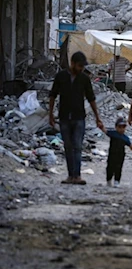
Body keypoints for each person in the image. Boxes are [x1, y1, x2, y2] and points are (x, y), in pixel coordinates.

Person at [49, 51, 104, 185]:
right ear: (72, 64)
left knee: (77, 146)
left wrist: (98, 117)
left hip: (79, 117)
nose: (81, 69)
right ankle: (70, 175)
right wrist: (50, 114)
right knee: (68, 146)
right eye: (79, 66)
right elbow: (53, 95)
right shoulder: (61, 76)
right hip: (64, 117)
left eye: (83, 66)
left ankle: (77, 175)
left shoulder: (84, 79)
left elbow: (91, 98)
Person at [102, 118, 132, 187]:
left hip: (120, 155)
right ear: (116, 127)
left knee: (118, 168)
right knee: (110, 167)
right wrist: (101, 126)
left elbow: (130, 145)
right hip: (112, 154)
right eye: (120, 127)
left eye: (123, 127)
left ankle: (117, 181)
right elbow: (105, 131)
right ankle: (109, 180)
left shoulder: (125, 138)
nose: (121, 129)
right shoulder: (113, 134)